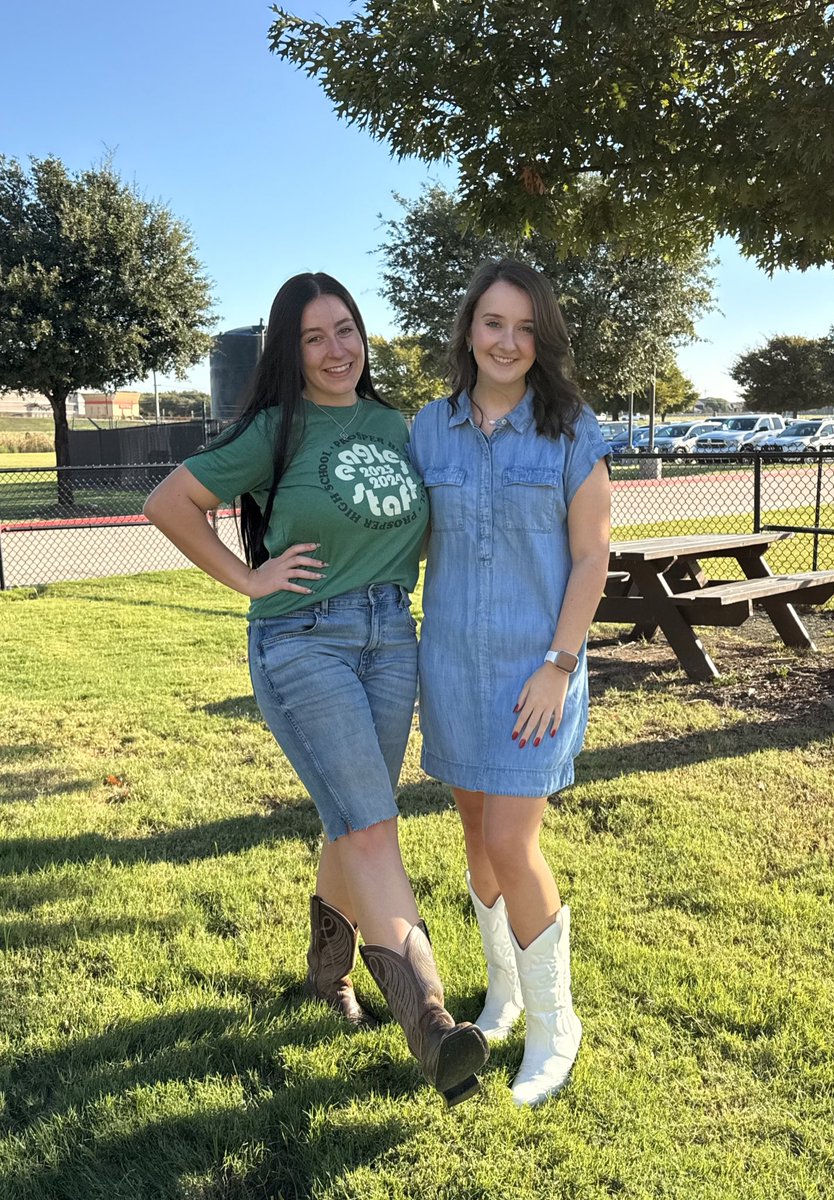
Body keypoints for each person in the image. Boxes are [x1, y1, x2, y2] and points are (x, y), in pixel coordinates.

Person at [143, 272, 489, 1106]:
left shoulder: (390, 424)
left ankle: (327, 974)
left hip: (388, 637)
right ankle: (432, 1025)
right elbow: (170, 503)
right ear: (288, 354)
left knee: (352, 816)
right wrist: (251, 580)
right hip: (304, 641)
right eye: (313, 338)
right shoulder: (275, 429)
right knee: (373, 826)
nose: (336, 350)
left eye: (346, 330)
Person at [408, 258, 611, 1106]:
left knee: (509, 843)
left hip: (537, 674)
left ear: (543, 338)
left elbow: (592, 554)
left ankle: (551, 1024)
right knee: (472, 833)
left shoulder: (572, 429)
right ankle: (502, 992)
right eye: (493, 323)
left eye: (526, 327)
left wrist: (557, 666)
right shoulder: (427, 428)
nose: (508, 341)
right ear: (467, 330)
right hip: (451, 666)